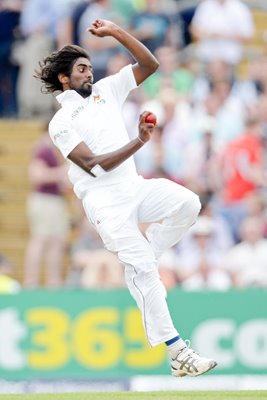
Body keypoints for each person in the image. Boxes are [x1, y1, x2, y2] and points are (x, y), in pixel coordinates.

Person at [35, 18, 217, 377]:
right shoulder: (61, 122)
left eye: (89, 66)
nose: (89, 73)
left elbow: (150, 65)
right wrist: (139, 141)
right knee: (146, 271)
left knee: (189, 204)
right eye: (81, 69)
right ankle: (177, 352)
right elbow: (93, 166)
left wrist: (117, 32)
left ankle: (148, 249)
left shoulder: (106, 90)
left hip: (135, 188)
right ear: (64, 79)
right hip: (106, 206)